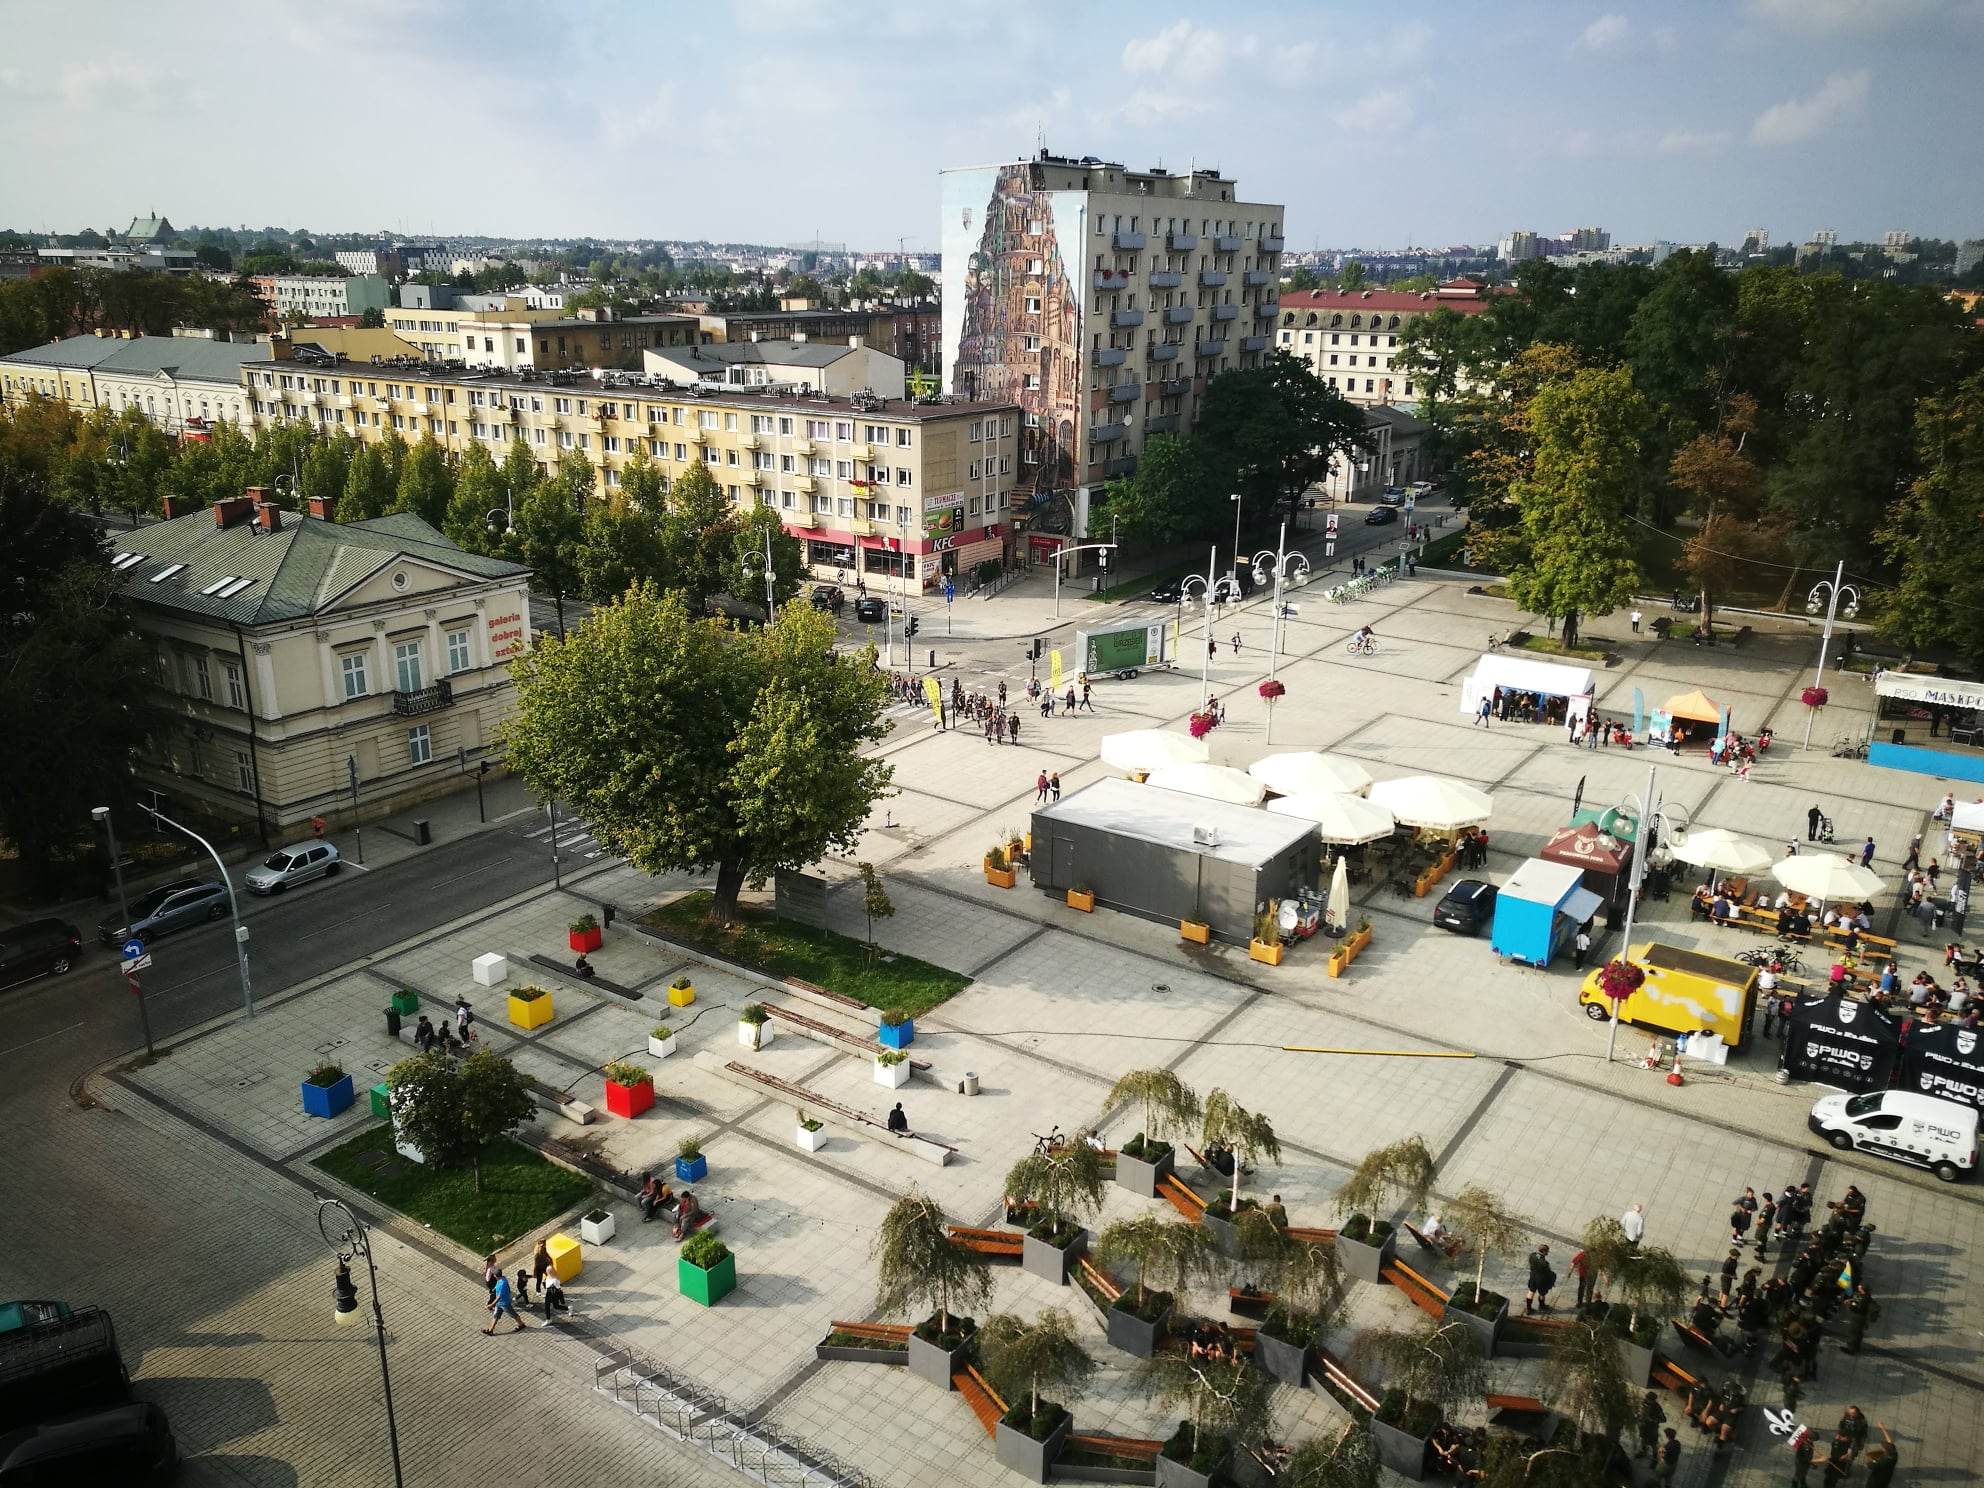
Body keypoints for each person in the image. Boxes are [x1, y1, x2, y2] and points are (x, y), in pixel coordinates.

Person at [1524, 1244, 1555, 1315]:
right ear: (1543, 1251)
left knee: (1531, 1292)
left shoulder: (1532, 1255)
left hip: (1532, 1276)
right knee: (1542, 1293)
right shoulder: (1544, 1263)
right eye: (1547, 1251)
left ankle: (1528, 1309)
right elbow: (1547, 1272)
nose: (1547, 1253)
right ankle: (1542, 1306)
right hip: (1541, 1278)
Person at [1635, 1390, 1664, 1462]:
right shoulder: (1644, 1402)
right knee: (1643, 1439)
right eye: (1646, 1399)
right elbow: (1640, 1410)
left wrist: (1652, 1419)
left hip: (1652, 1429)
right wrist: (1638, 1415)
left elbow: (1663, 1419)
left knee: (1653, 1443)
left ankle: (1654, 1457)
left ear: (1653, 1400)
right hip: (1643, 1426)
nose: (1646, 1400)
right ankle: (1643, 1451)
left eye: (1649, 1400)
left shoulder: (1657, 1408)